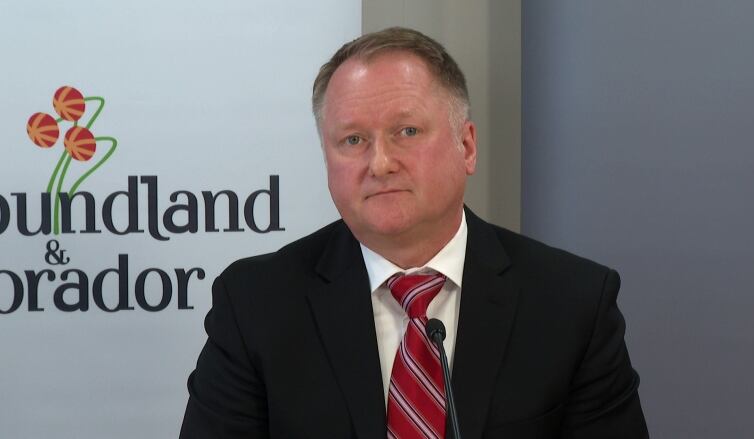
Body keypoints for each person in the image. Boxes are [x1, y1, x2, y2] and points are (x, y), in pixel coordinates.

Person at [180, 27, 648, 438]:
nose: (380, 164)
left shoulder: (573, 304)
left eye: (406, 131)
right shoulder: (255, 304)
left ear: (466, 146)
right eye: (353, 140)